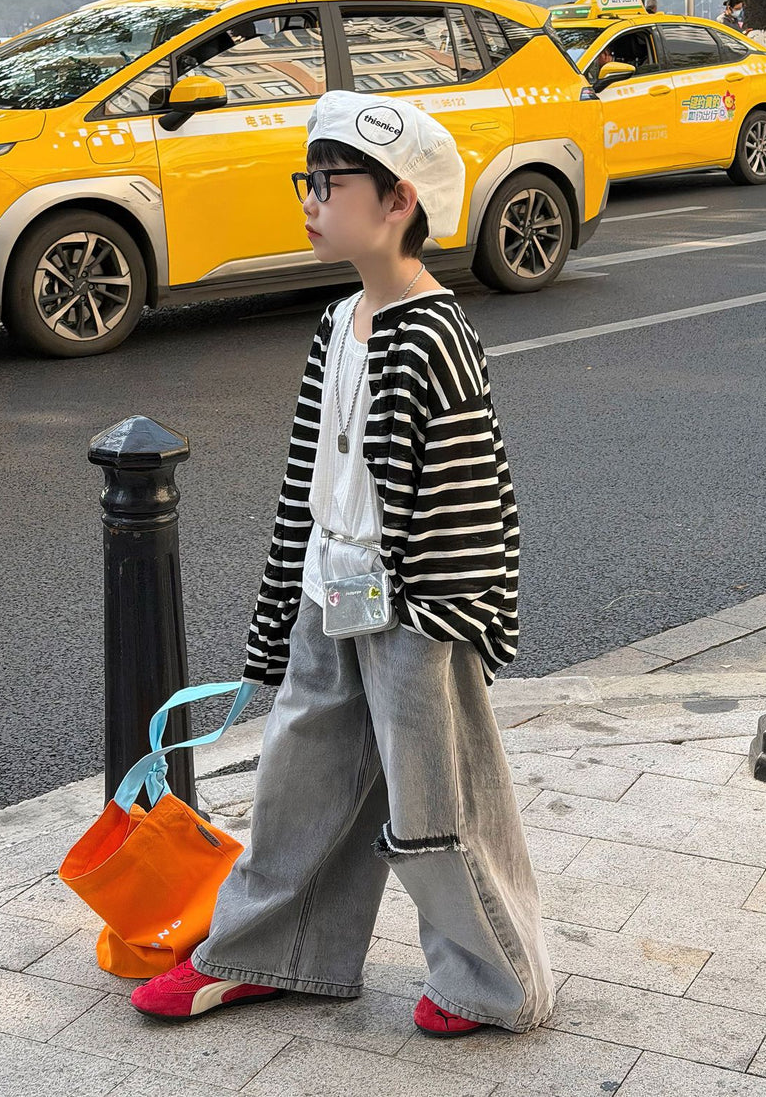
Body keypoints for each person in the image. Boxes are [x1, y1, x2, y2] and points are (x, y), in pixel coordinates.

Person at [129, 90, 555, 1038]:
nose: (311, 199)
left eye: (329, 183)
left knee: (435, 801)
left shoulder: (439, 333)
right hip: (333, 584)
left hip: (419, 606)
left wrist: (461, 618)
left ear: (399, 200)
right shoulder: (336, 324)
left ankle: (496, 983)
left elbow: (476, 490)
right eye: (307, 181)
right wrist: (276, 615)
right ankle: (268, 954)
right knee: (298, 773)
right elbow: (305, 484)